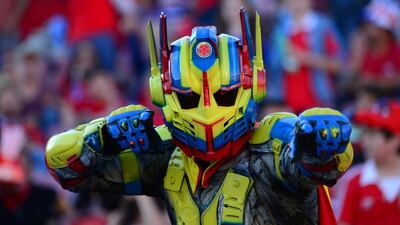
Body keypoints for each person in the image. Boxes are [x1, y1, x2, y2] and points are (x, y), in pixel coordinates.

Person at [45, 9, 353, 225]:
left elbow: (318, 164)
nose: (207, 112)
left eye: (223, 95)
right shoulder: (164, 154)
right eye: (190, 99)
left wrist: (320, 141)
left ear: (253, 86)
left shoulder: (270, 147)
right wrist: (102, 136)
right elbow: (65, 169)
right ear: (162, 93)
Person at [339, 101, 400, 225]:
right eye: (365, 133)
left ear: (395, 140)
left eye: (372, 134)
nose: (365, 142)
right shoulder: (354, 180)